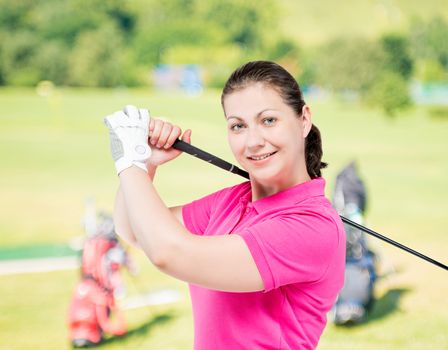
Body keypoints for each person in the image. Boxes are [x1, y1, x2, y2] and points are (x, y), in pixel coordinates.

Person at [105, 61, 346, 349]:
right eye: (238, 126)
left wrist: (129, 162)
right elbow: (133, 228)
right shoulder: (233, 201)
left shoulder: (311, 227)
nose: (253, 141)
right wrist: (146, 164)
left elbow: (169, 253)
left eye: (269, 120)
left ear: (303, 119)